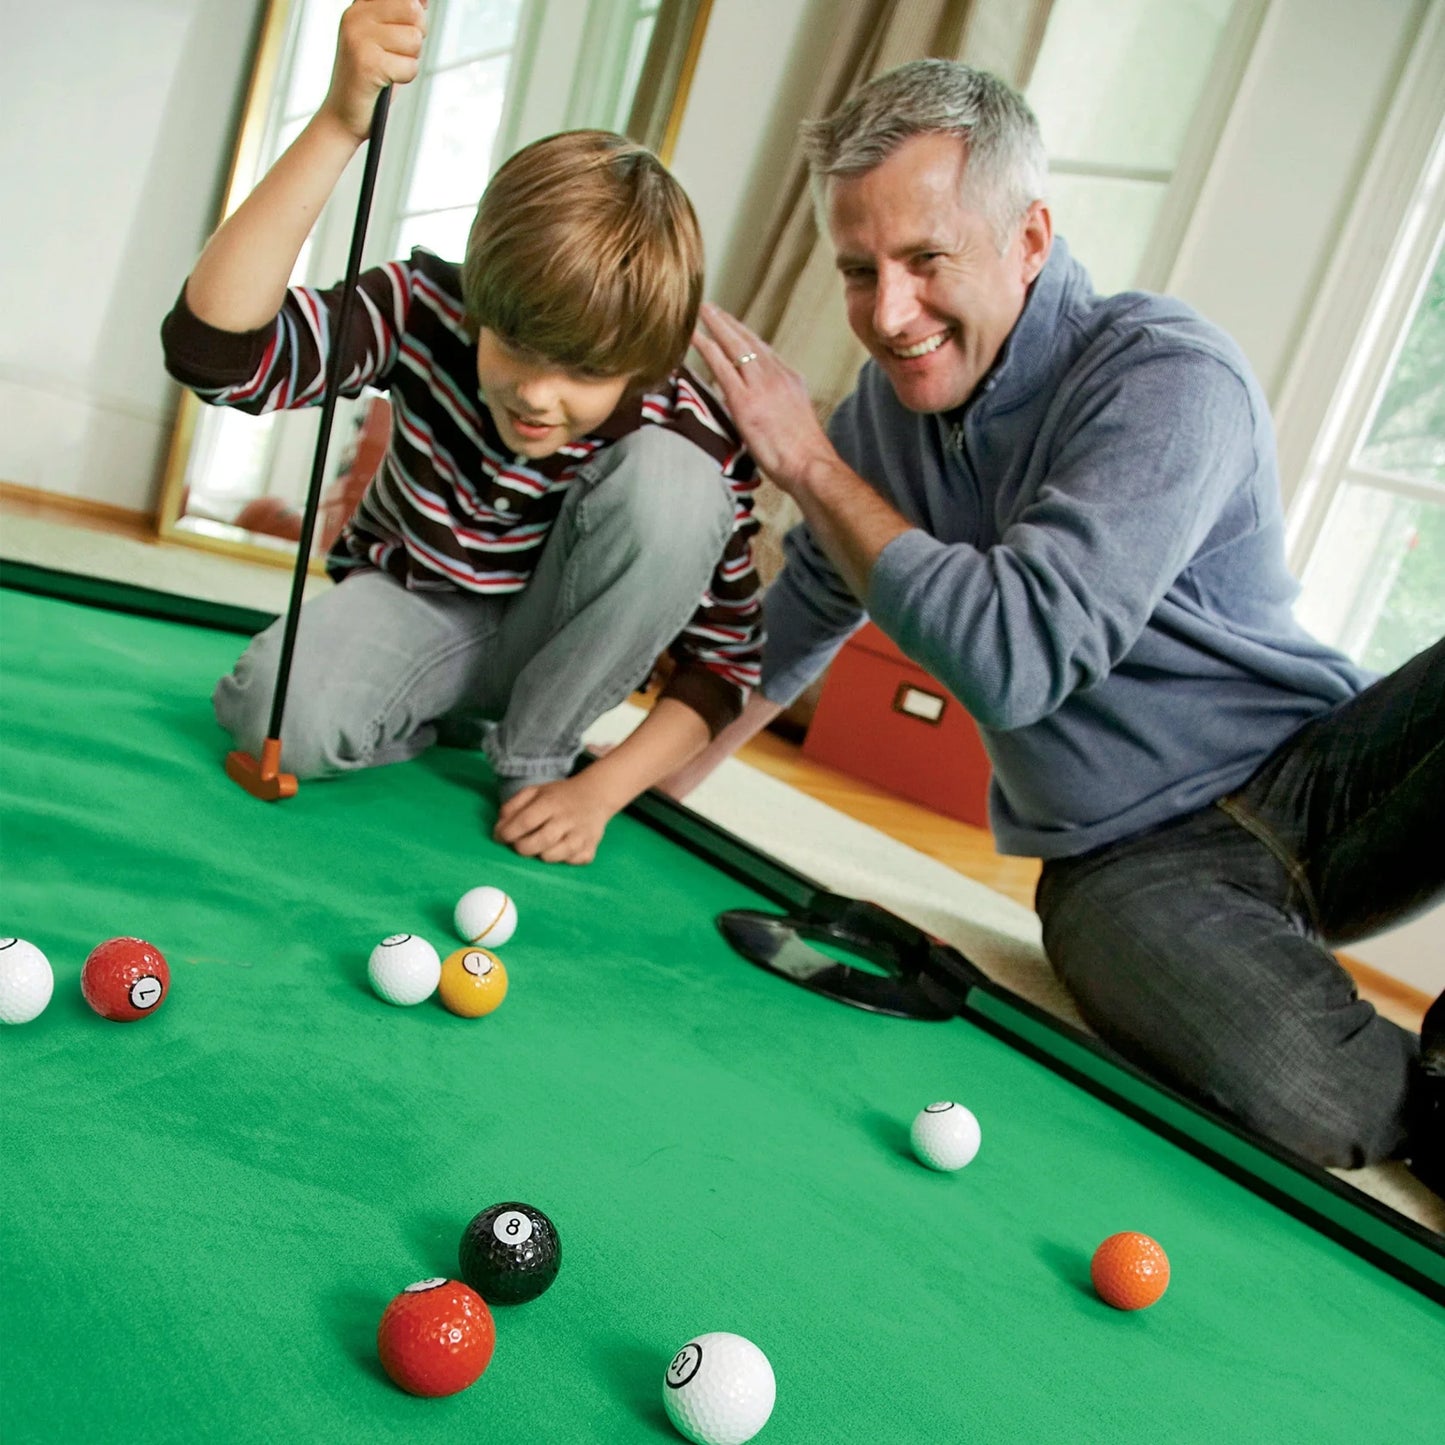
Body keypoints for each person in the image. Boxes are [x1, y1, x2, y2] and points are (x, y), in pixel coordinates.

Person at [680, 58, 1444, 1188]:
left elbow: (1015, 657)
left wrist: (803, 457)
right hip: (1119, 861)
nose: (888, 314)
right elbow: (790, 627)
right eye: (858, 270)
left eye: (925, 259)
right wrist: (648, 782)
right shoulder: (878, 432)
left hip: (1316, 777)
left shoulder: (1167, 379)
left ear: (1029, 237)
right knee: (1318, 1101)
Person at [161, 0, 761, 866]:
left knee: (678, 486)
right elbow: (213, 353)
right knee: (274, 717)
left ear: (641, 364)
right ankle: (437, 714)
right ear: (479, 299)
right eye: (515, 345)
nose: (540, 398)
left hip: (565, 650)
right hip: (415, 602)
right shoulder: (423, 308)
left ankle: (529, 749)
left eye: (586, 374)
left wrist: (597, 790)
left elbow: (723, 666)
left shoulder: (687, 424)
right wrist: (339, 121)